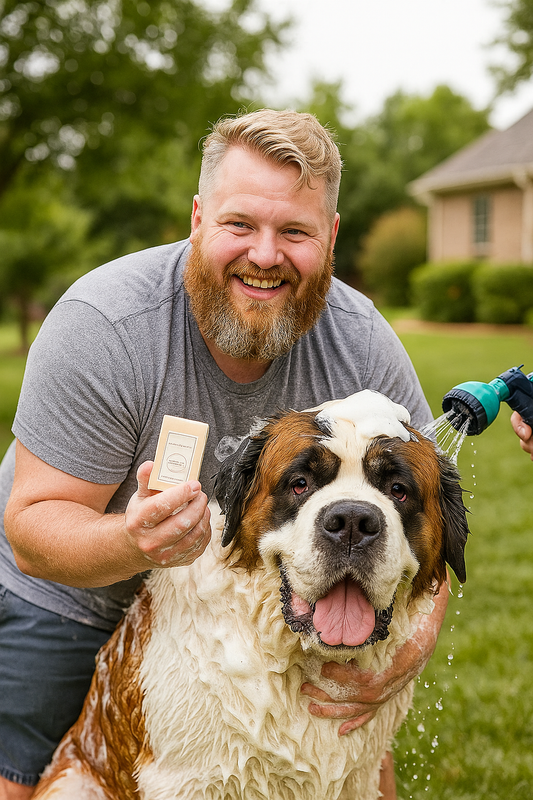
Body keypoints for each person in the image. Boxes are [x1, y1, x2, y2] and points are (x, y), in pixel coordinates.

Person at [0, 108, 448, 800]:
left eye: (294, 232)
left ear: (330, 236)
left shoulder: (360, 341)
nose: (265, 255)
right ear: (197, 219)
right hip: (70, 593)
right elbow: (32, 528)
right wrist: (133, 541)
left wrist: (410, 648)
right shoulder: (106, 325)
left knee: (348, 764)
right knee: (35, 786)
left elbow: (426, 513)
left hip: (247, 594)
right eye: (239, 224)